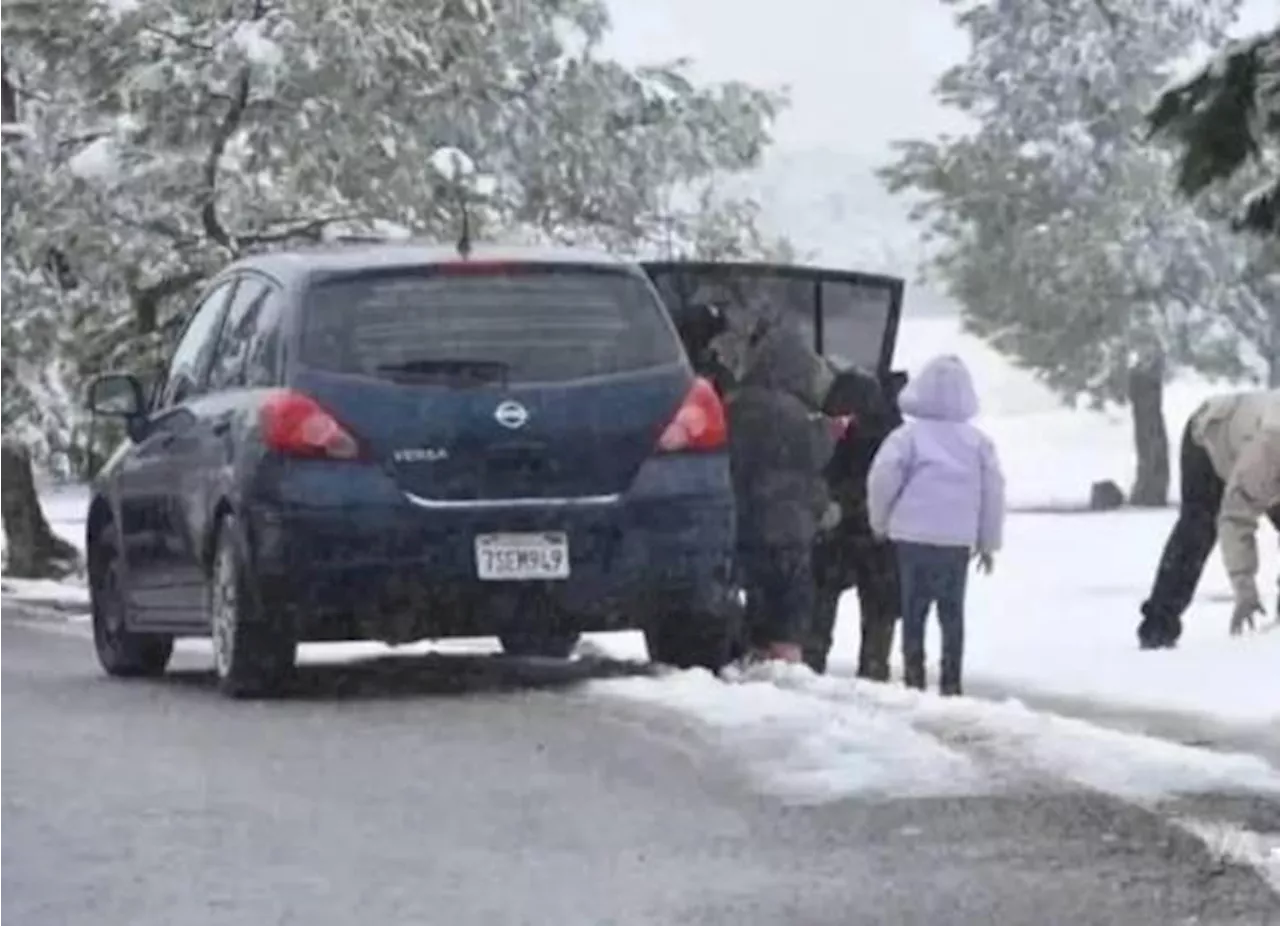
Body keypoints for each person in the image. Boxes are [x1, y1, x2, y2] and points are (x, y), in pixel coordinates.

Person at [866, 354, 1005, 696]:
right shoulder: (978, 443)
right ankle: (951, 681)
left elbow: (882, 479)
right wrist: (987, 543)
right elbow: (993, 493)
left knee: (913, 610)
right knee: (952, 613)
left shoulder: (907, 437)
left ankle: (914, 676)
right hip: (955, 541)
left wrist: (880, 522)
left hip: (910, 537)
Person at [726, 321, 843, 664]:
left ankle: (751, 652)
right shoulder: (798, 415)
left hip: (745, 516)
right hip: (790, 522)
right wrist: (828, 430)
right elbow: (813, 462)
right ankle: (783, 659)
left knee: (753, 593)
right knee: (790, 600)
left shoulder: (734, 404)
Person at [1137, 390, 1280, 649]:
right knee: (1199, 528)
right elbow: (1235, 518)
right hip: (1210, 442)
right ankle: (1159, 625)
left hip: (1253, 446)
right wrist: (1244, 589)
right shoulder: (1270, 446)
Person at [807, 365, 904, 678]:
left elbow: (821, 472)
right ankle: (874, 669)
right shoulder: (894, 435)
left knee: (821, 604)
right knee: (879, 611)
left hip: (835, 532)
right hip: (878, 534)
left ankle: (812, 662)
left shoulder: (830, 431)